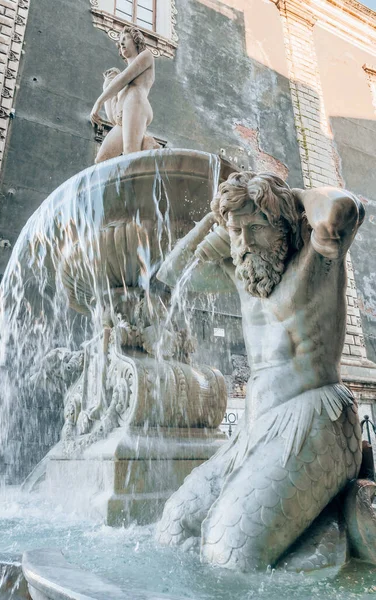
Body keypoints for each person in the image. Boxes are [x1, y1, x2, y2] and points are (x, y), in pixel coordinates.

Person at [156, 171, 365, 571]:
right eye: (236, 232)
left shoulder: (318, 253)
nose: (245, 242)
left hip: (318, 419)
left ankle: (323, 539)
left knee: (229, 551)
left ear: (284, 225)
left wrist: (291, 196)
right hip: (256, 430)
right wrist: (220, 221)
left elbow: (342, 207)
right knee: (173, 526)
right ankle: (315, 534)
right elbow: (173, 271)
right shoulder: (241, 271)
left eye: (256, 228)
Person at [90, 26, 156, 162]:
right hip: (122, 119)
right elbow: (113, 119)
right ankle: (147, 143)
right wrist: (106, 87)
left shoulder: (146, 56)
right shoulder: (122, 87)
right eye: (120, 41)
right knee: (101, 160)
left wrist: (99, 102)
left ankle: (147, 146)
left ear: (136, 40)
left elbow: (125, 76)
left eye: (125, 38)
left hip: (137, 103)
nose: (121, 43)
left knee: (130, 155)